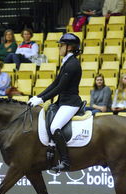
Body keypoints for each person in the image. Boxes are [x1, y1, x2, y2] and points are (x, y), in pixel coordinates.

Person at [28, 33, 82, 172]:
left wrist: (42, 99)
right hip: (62, 102)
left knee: (54, 127)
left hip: (70, 103)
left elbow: (61, 87)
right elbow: (55, 83)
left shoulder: (73, 64)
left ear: (69, 47)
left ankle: (65, 161)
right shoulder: (66, 62)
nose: (59, 48)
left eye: (62, 45)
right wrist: (38, 96)